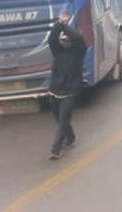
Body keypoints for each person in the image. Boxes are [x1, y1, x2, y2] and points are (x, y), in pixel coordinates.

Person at [47, 11, 87, 160]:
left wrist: (64, 26)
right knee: (59, 119)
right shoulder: (57, 52)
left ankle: (55, 149)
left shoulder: (78, 52)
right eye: (62, 40)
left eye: (66, 39)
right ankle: (70, 137)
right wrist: (58, 24)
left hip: (70, 92)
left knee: (63, 120)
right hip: (55, 91)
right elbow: (51, 39)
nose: (64, 42)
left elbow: (78, 38)